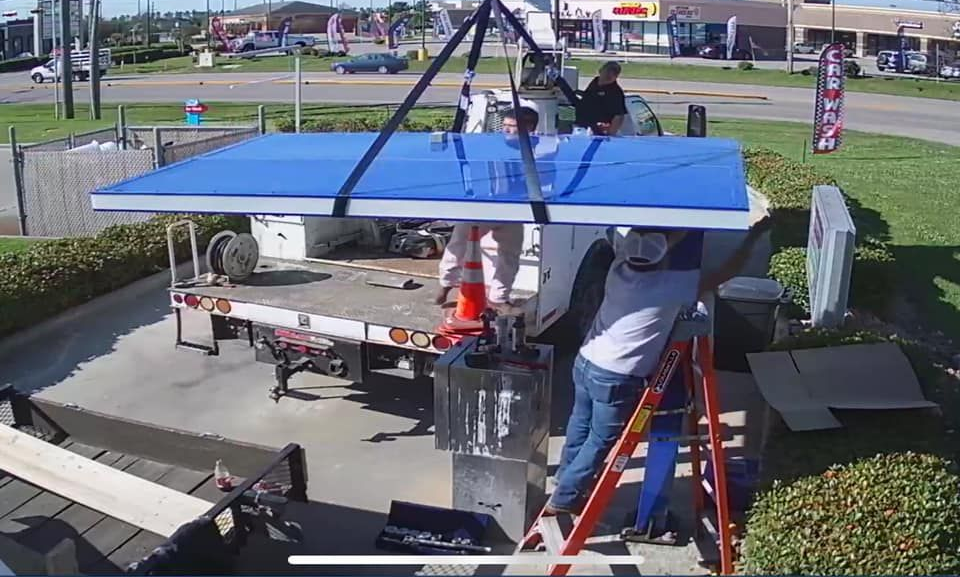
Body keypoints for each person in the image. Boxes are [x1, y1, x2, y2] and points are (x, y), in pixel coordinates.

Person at [546, 218, 772, 515]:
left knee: (580, 425)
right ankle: (565, 498)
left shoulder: (619, 270)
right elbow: (727, 273)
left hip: (587, 361)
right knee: (600, 441)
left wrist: (682, 229)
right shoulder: (673, 285)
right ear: (663, 255)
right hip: (617, 375)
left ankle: (565, 478)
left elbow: (657, 246)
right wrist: (753, 237)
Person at [435, 107, 540, 312]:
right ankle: (446, 284)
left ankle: (499, 296)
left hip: (513, 209)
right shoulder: (489, 145)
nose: (507, 131)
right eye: (506, 127)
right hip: (482, 206)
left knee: (509, 254)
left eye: (514, 128)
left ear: (530, 129)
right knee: (458, 245)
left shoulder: (539, 150)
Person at [575, 61, 628, 137]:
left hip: (599, 133)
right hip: (582, 128)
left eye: (614, 73)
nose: (609, 74)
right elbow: (590, 97)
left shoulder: (615, 93)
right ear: (600, 71)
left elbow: (619, 116)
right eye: (608, 71)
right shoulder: (595, 82)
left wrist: (610, 135)